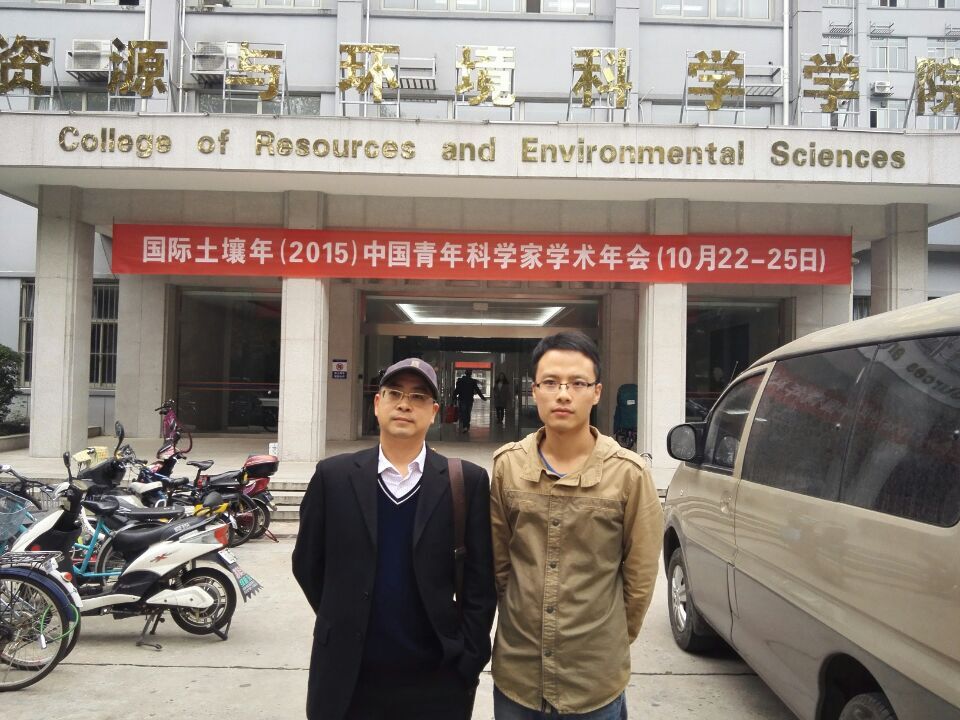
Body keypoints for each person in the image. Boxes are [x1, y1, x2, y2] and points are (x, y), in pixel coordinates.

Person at [292, 358, 497, 720]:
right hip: (347, 677)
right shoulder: (333, 477)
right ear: (377, 403)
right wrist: (343, 618)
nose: (405, 404)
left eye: (418, 397)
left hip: (436, 679)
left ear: (434, 412)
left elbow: (480, 584)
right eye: (395, 394)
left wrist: (468, 658)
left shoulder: (466, 482)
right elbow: (308, 565)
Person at [489, 331, 664, 720]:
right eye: (551, 382)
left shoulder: (629, 474)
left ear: (597, 392)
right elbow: (501, 566)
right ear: (534, 390)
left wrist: (608, 639)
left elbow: (640, 578)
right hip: (519, 673)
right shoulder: (508, 467)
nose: (563, 394)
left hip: (593, 679)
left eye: (578, 383)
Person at [454, 369, 486, 434]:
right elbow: (477, 390)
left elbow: (457, 390)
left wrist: (453, 397)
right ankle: (466, 425)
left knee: (463, 412)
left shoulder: (460, 380)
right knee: (468, 413)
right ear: (470, 374)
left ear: (465, 373)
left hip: (462, 399)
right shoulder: (472, 381)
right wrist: (482, 397)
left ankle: (465, 425)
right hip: (469, 399)